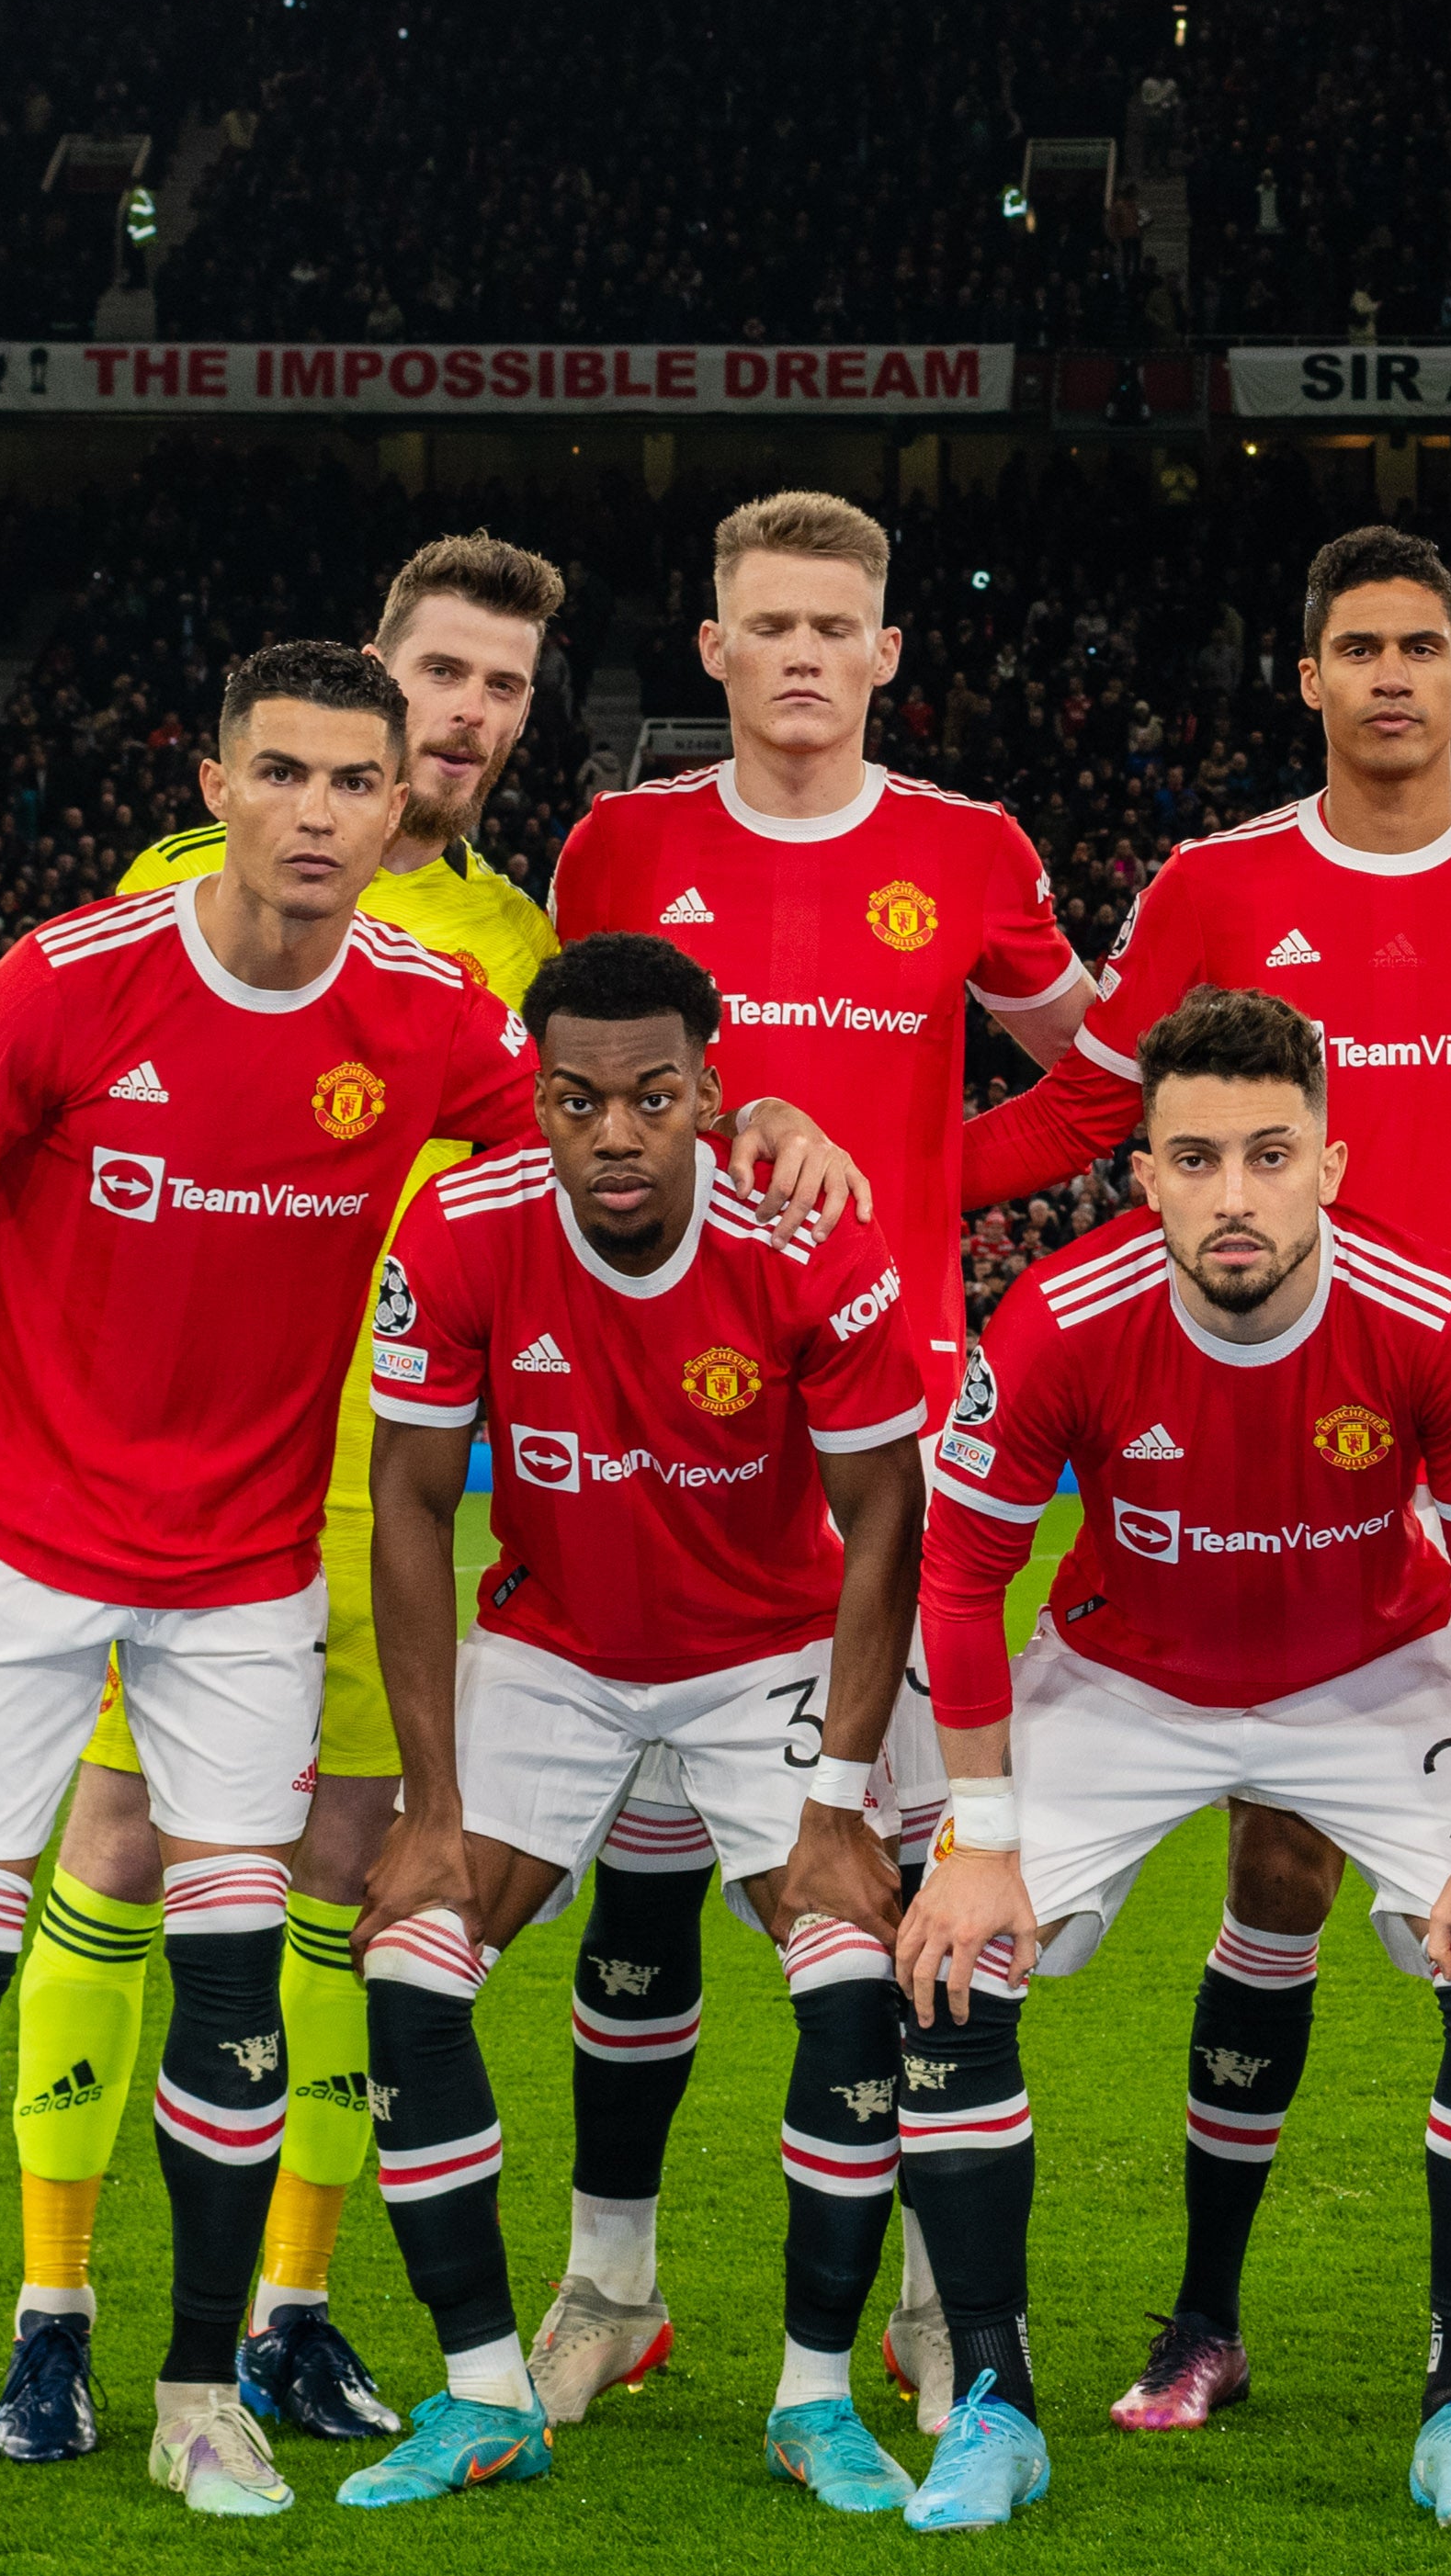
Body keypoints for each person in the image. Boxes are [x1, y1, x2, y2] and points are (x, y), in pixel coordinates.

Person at [957, 526, 1451, 2429]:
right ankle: (1205, 2314)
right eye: (1354, 648)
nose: (1390, 675)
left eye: (1422, 647)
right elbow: (1092, 1108)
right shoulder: (1220, 882)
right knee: (1276, 1867)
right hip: (1239, 1445)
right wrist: (904, 1206)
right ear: (1306, 678)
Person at [0, 644, 538, 2529]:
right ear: (216, 780)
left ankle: (204, 2393)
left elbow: (567, 1178)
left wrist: (735, 1137)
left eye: (352, 783)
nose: (315, 814)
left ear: (390, 808)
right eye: (278, 774)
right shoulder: (70, 977)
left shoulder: (435, 1014)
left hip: (245, 1582)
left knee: (235, 1989)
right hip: (16, 1558)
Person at [0, 533, 573, 2465]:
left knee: (346, 1880)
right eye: (441, 676)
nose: (467, 717)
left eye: (503, 687)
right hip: (159, 1474)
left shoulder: (520, 942)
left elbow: (571, 1161)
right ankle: (53, 2310)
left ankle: (289, 2316)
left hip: (384, 1489)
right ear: (364, 692)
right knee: (126, 1848)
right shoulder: (183, 889)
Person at [538, 489, 1085, 2418]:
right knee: (643, 1873)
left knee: (904, 1883)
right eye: (761, 622)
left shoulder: (970, 849)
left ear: (884, 652)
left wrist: (934, 1179)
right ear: (708, 649)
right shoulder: (619, 842)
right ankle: (612, 2279)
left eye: (830, 625)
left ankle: (935, 2294)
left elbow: (1093, 1076)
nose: (796, 653)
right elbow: (572, 1085)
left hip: (884, 1422)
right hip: (641, 1415)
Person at [897, 987, 1451, 2532]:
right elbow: (959, 1571)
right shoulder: (1062, 1316)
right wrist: (981, 1833)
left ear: (1331, 1162)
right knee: (946, 1955)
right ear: (1143, 1174)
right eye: (1194, 1159)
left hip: (1367, 1674)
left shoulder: (1432, 1312)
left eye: (1272, 1154)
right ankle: (994, 2401)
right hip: (1127, 1677)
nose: (1235, 1194)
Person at [346, 932, 926, 2514]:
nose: (615, 1131)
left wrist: (836, 1802)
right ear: (535, 1103)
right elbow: (407, 1501)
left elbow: (889, 1516)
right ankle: (480, 2393)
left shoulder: (809, 1243)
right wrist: (430, 1799)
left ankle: (813, 2393)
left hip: (766, 1649)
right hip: (556, 1648)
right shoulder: (459, 1230)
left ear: (706, 1094)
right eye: (578, 1100)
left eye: (653, 1096)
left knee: (853, 1965)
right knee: (408, 1953)